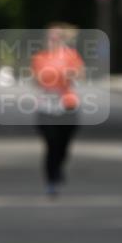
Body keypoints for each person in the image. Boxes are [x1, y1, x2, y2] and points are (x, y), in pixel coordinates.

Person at [31, 24, 84, 197]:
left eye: (57, 37)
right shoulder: (40, 57)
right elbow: (37, 78)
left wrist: (70, 75)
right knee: (51, 144)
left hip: (67, 104)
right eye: (50, 37)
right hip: (46, 106)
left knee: (63, 144)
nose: (53, 40)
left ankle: (59, 165)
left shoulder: (71, 55)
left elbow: (79, 74)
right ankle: (51, 180)